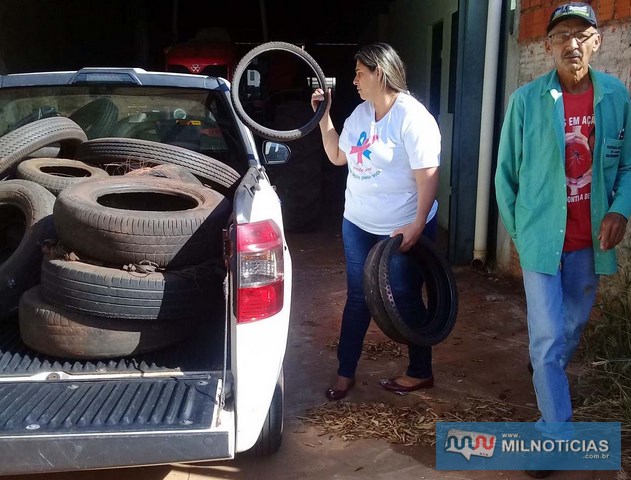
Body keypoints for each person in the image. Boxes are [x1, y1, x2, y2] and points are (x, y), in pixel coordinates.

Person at [495, 3, 631, 478]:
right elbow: (505, 174)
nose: (571, 43)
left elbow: (629, 166)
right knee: (549, 337)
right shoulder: (527, 101)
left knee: (568, 331)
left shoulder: (616, 97)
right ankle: (556, 434)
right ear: (547, 44)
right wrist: (520, 233)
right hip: (540, 245)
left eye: (581, 33)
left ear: (597, 41)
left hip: (589, 245)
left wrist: (620, 208)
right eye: (561, 35)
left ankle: (545, 373)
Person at [310, 42, 441, 401]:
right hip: (358, 222)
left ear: (379, 73)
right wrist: (324, 118)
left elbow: (428, 176)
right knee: (358, 296)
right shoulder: (361, 115)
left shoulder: (413, 118)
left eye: (359, 73)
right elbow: (338, 155)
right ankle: (345, 371)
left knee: (403, 293)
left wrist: (416, 225)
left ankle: (420, 371)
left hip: (401, 227)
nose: (354, 80)